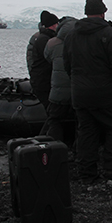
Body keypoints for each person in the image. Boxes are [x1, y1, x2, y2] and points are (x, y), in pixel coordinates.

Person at [63, 0, 112, 182]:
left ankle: (86, 172)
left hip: (79, 93)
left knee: (86, 131)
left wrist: (76, 83)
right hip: (105, 92)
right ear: (103, 13)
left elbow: (67, 64)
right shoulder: (109, 34)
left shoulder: (71, 34)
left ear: (86, 13)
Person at [41, 15, 77, 145]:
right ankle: (78, 151)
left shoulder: (52, 43)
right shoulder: (83, 42)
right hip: (77, 90)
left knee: (55, 121)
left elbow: (47, 58)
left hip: (57, 91)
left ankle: (54, 150)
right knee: (82, 123)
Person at [26, 10, 59, 111]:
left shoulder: (42, 38)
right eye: (56, 23)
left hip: (40, 79)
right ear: (53, 25)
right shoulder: (45, 40)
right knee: (51, 111)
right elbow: (50, 59)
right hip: (43, 81)